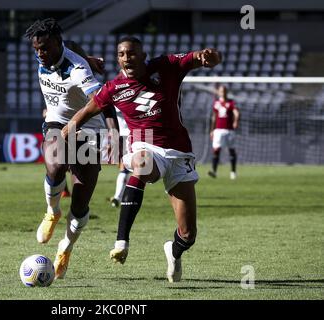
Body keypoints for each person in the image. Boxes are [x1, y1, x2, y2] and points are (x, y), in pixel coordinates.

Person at [62, 36, 221, 282]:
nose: (127, 58)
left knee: (188, 234)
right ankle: (122, 240)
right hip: (145, 145)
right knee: (142, 164)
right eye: (122, 54)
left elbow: (199, 57)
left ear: (143, 55)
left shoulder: (166, 66)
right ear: (118, 58)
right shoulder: (113, 88)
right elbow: (88, 109)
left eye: (132, 53)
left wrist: (208, 56)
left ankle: (173, 250)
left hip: (179, 153)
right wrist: (69, 127)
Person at [25, 18, 117, 279]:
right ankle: (52, 211)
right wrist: (89, 56)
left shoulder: (78, 70)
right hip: (57, 119)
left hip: (89, 129)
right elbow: (73, 45)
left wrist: (114, 136)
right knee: (54, 164)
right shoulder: (47, 54)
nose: (40, 54)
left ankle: (65, 247)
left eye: (44, 48)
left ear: (56, 43)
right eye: (36, 49)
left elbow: (104, 102)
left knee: (80, 203)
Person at [208, 85, 240, 180]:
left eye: (225, 91)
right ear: (219, 92)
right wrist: (212, 130)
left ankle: (233, 172)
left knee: (231, 150)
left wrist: (235, 121)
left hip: (229, 130)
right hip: (218, 130)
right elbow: (214, 117)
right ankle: (214, 172)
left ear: (227, 92)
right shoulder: (216, 103)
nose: (223, 92)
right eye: (222, 91)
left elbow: (236, 113)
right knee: (216, 150)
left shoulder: (231, 102)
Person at [109, 107, 131, 208]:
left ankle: (119, 197)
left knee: (125, 168)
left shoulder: (116, 96)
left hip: (124, 134)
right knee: (127, 168)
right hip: (131, 133)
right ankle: (120, 196)